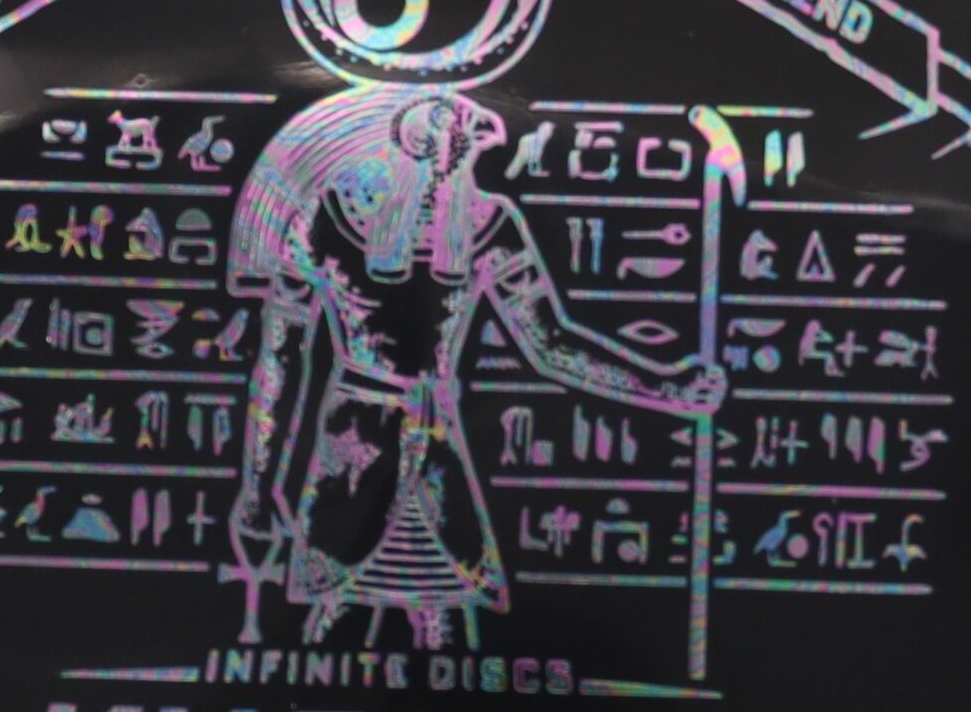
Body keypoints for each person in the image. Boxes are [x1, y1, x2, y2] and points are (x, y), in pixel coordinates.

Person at [224, 85, 725, 648]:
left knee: (443, 632)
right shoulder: (328, 215)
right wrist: (258, 487)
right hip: (357, 450)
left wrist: (665, 389)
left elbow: (549, 345)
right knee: (336, 629)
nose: (458, 169)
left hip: (430, 443)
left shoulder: (485, 221)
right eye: (458, 151)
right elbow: (279, 359)